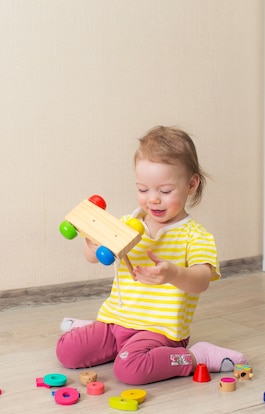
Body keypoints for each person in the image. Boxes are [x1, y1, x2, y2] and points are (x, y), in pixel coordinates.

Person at [56, 126, 248, 385]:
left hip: (160, 331)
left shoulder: (195, 235)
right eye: (143, 189)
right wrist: (91, 243)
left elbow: (201, 280)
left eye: (165, 191)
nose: (153, 200)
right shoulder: (127, 224)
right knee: (66, 352)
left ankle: (194, 357)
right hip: (116, 321)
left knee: (130, 370)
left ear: (191, 184)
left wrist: (173, 273)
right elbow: (94, 257)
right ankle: (93, 331)